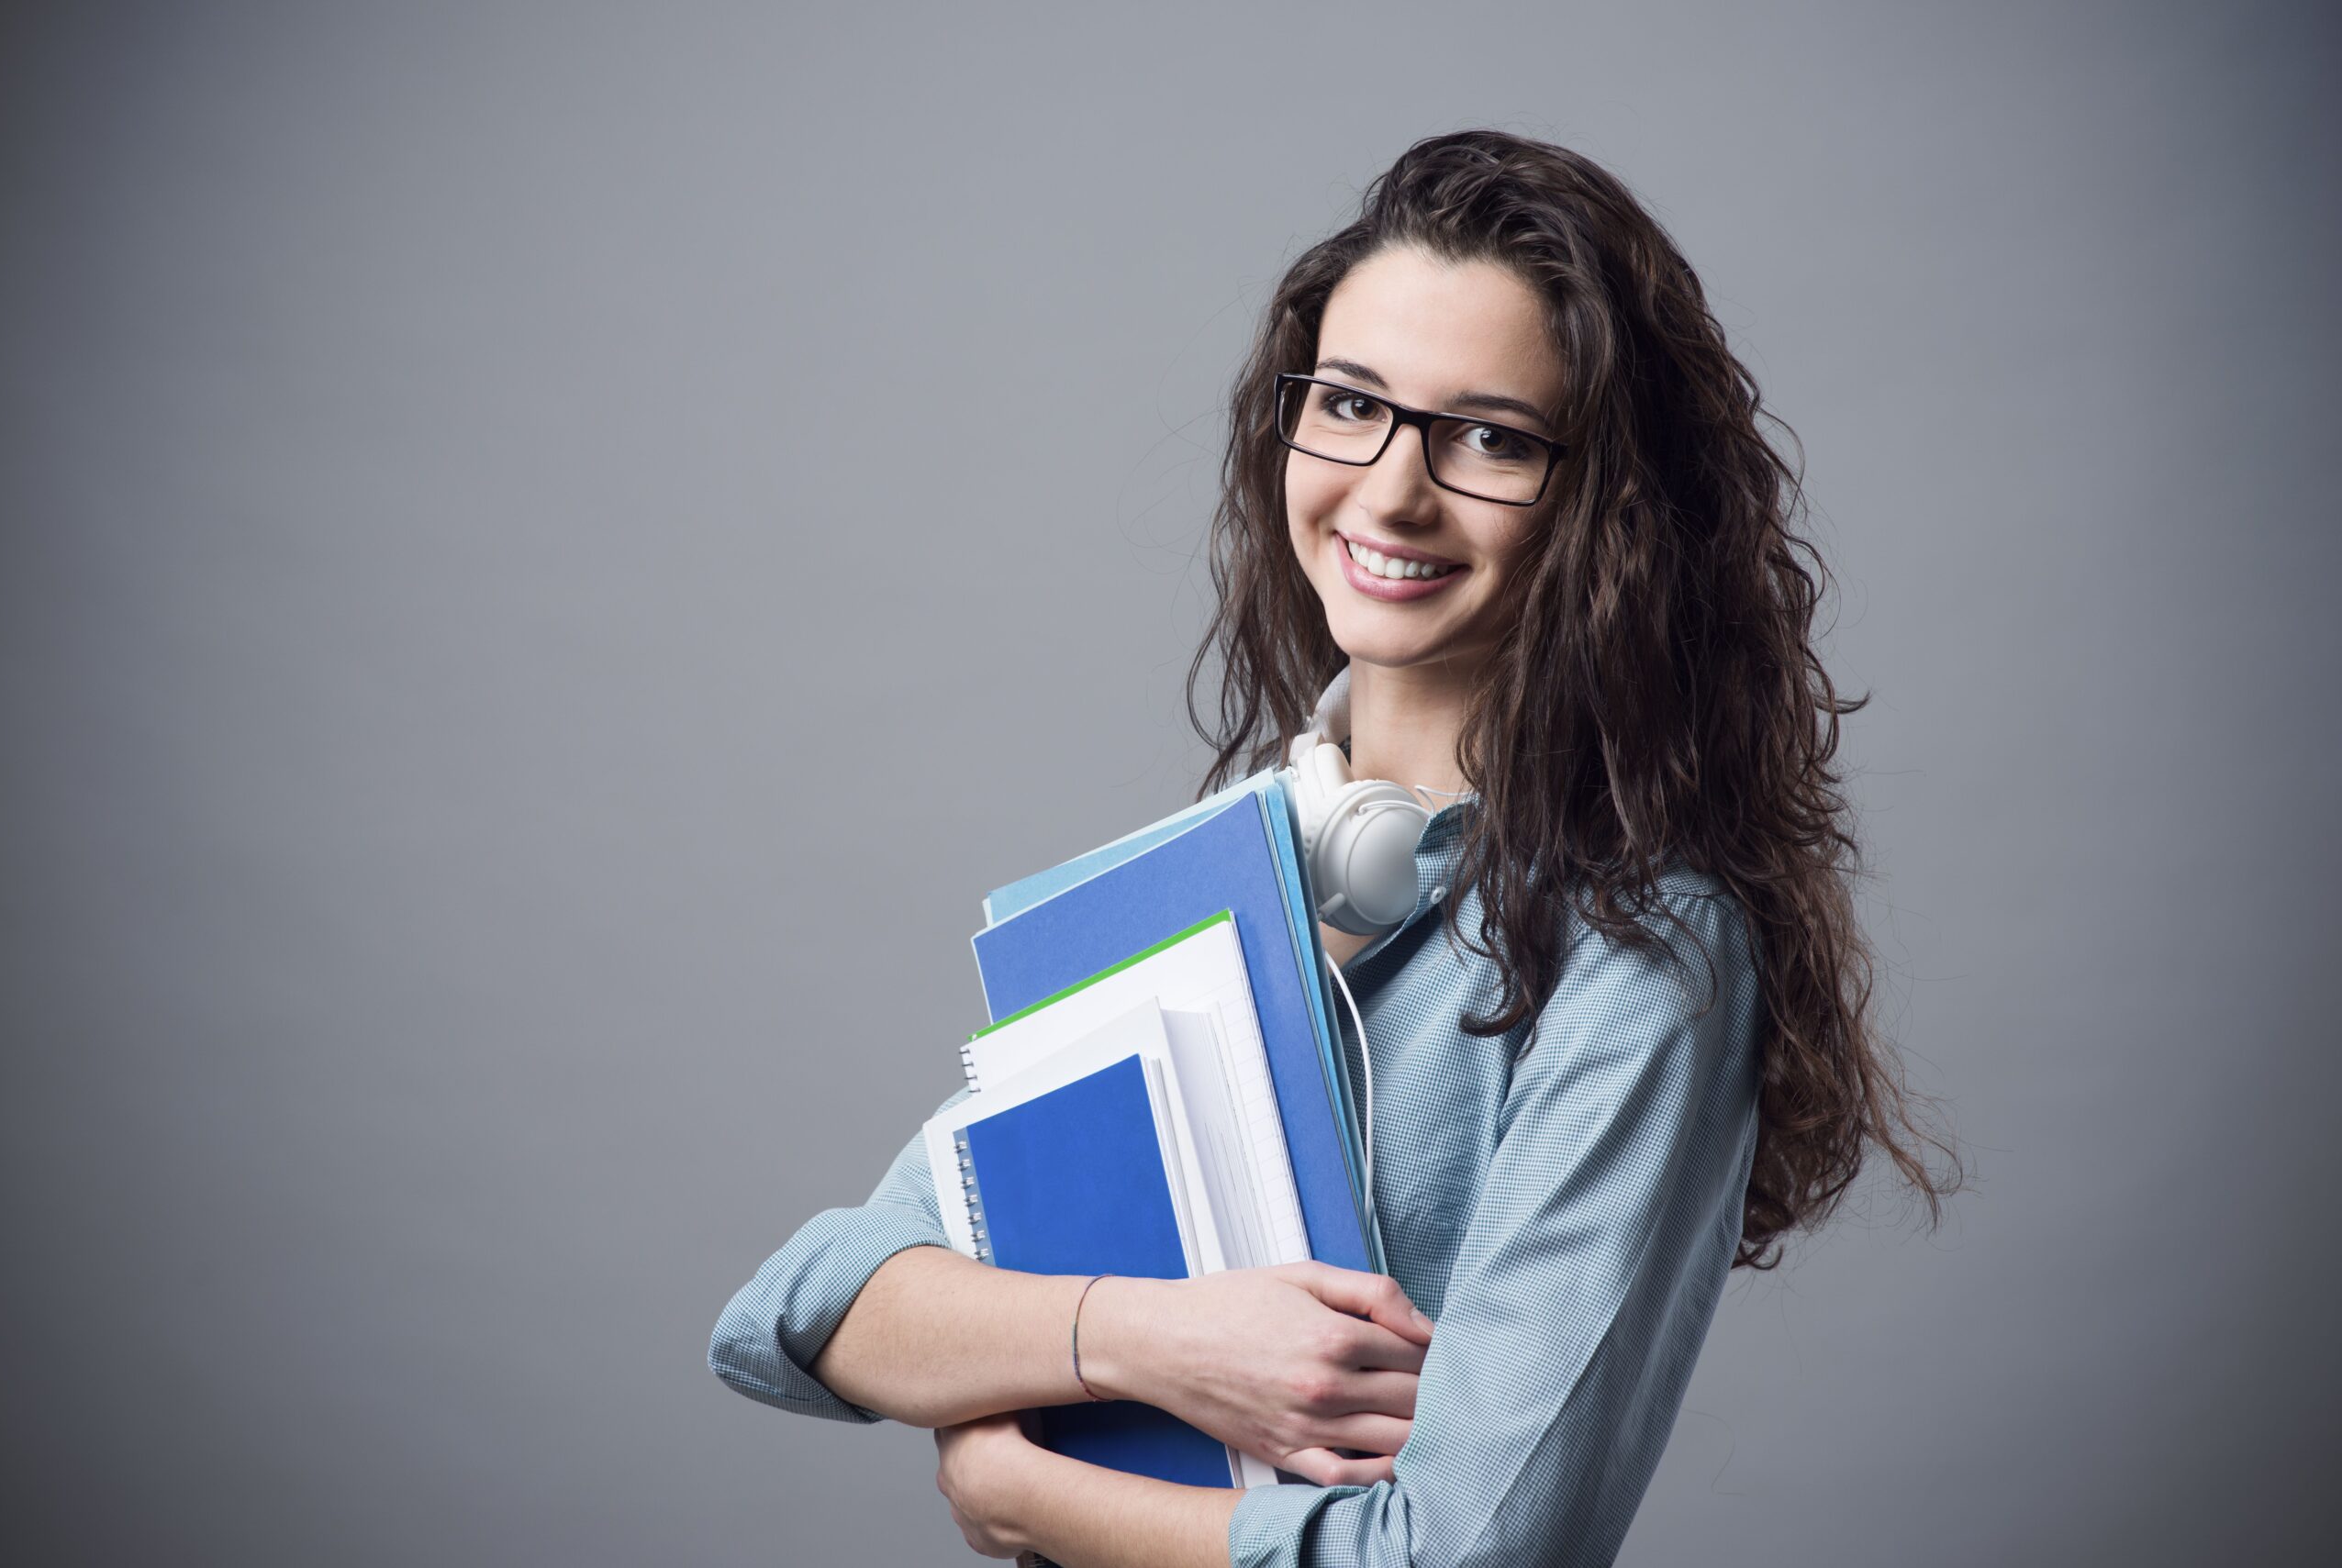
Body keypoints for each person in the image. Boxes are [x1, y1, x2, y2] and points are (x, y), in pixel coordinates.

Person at [708, 128, 1958, 1567]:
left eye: (1489, 434)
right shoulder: (1219, 867)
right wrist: (1155, 1340)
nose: (1391, 489)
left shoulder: (1645, 956)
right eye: (1352, 404)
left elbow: (1462, 1554)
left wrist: (1028, 1493)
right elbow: (810, 1301)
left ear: (1606, 507)